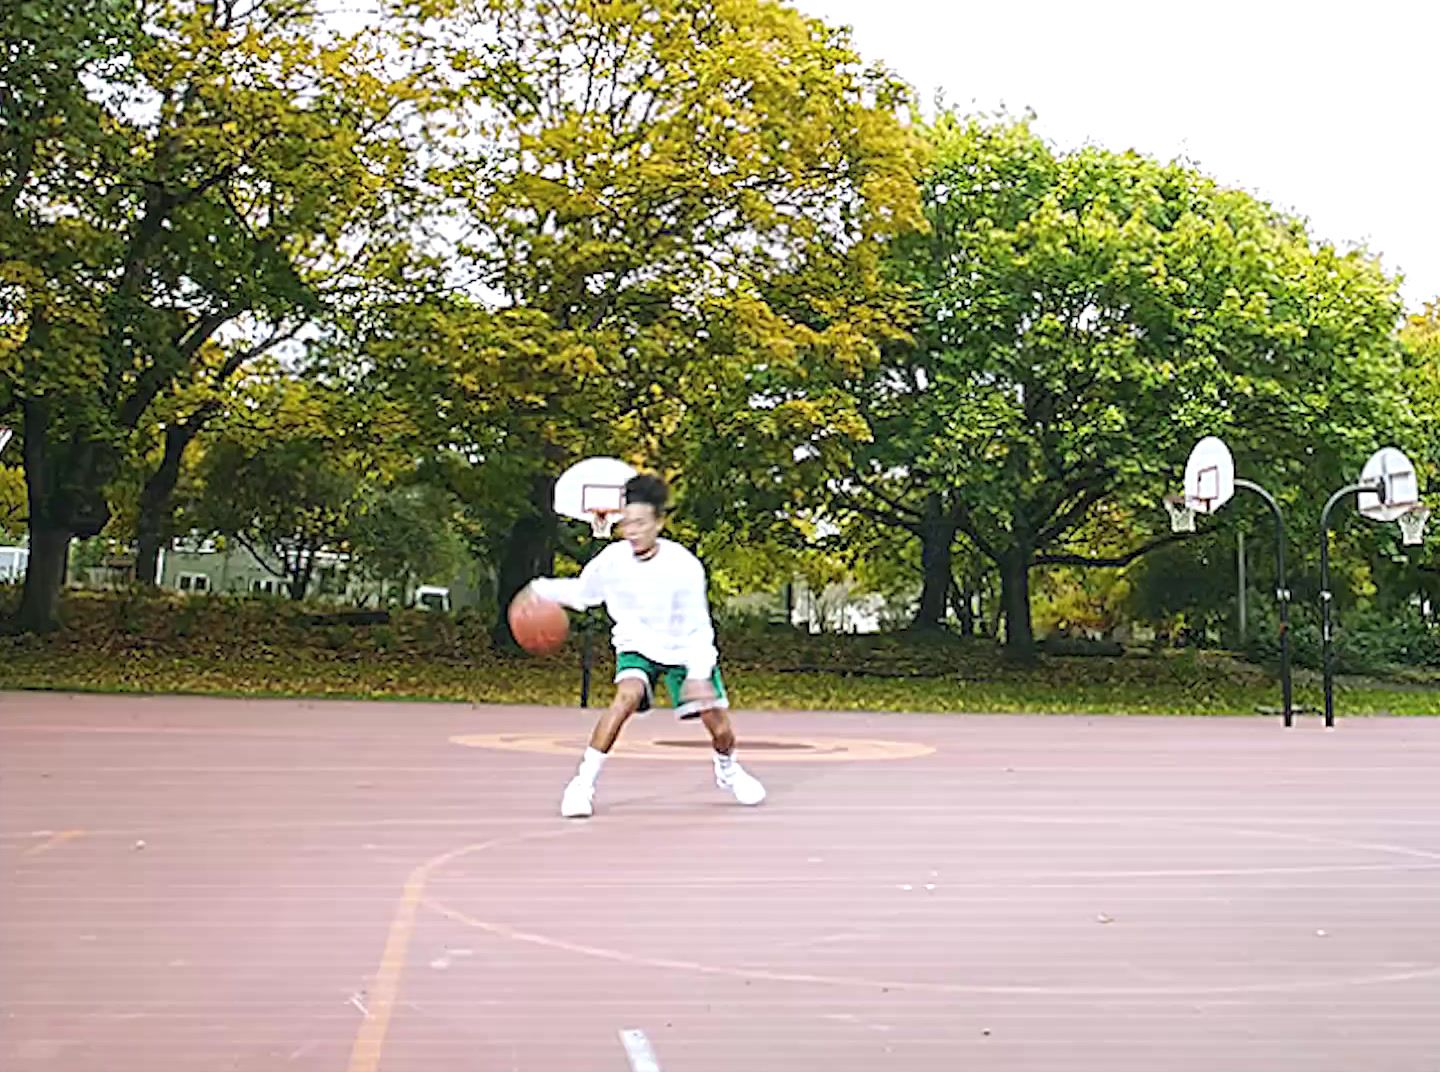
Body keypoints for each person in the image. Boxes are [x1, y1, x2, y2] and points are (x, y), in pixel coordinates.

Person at [518, 472, 766, 819]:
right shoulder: (611, 561)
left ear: (659, 523)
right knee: (626, 696)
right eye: (627, 523)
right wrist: (540, 588)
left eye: (641, 523)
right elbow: (582, 594)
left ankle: (728, 770)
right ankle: (582, 784)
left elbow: (698, 626)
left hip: (683, 648)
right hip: (637, 644)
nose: (632, 530)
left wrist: (697, 674)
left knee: (719, 727)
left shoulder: (684, 566)